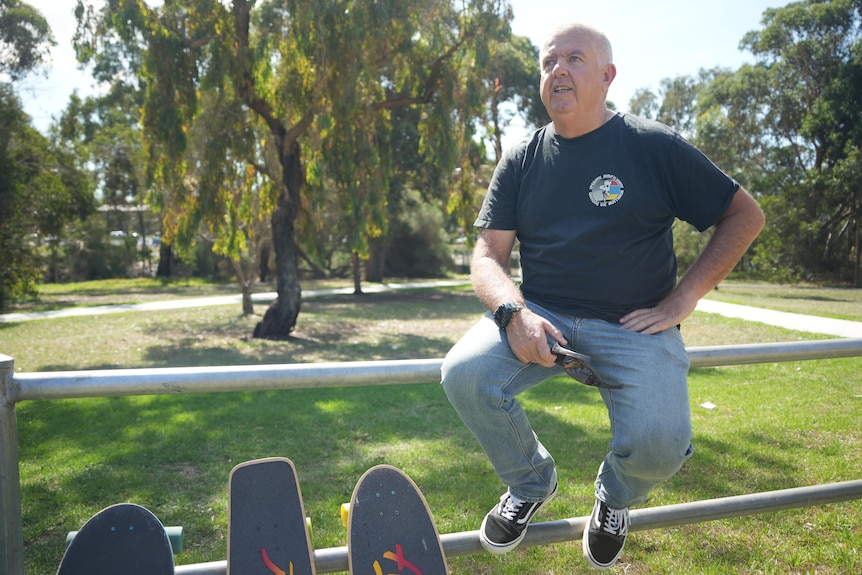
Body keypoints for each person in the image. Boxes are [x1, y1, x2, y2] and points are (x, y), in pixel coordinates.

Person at [440, 22, 765, 569]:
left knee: (661, 444)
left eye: (575, 59)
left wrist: (683, 300)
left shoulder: (653, 146)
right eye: (548, 63)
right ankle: (529, 483)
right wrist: (512, 313)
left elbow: (744, 216)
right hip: (542, 315)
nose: (558, 71)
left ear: (608, 76)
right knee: (464, 375)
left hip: (633, 325)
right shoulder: (521, 158)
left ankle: (614, 498)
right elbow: (487, 257)